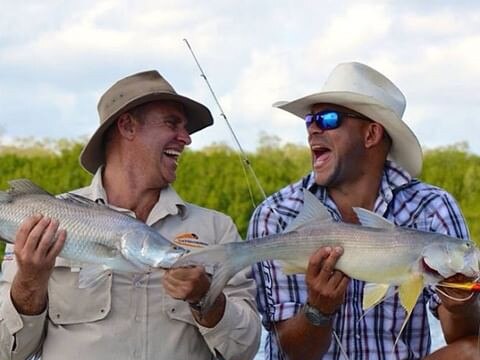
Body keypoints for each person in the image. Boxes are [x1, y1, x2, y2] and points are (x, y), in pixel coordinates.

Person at [0, 70, 261, 360]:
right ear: (127, 126)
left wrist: (206, 300)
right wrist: (29, 281)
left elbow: (246, 350)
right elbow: (7, 352)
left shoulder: (216, 229)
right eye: (172, 123)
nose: (186, 138)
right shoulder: (39, 219)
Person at [248, 62, 480, 359]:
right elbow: (290, 351)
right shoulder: (277, 213)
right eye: (310, 120)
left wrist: (460, 305)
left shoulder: (434, 207)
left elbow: (462, 336)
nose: (313, 128)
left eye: (328, 118)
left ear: (371, 134)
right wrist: (318, 310)